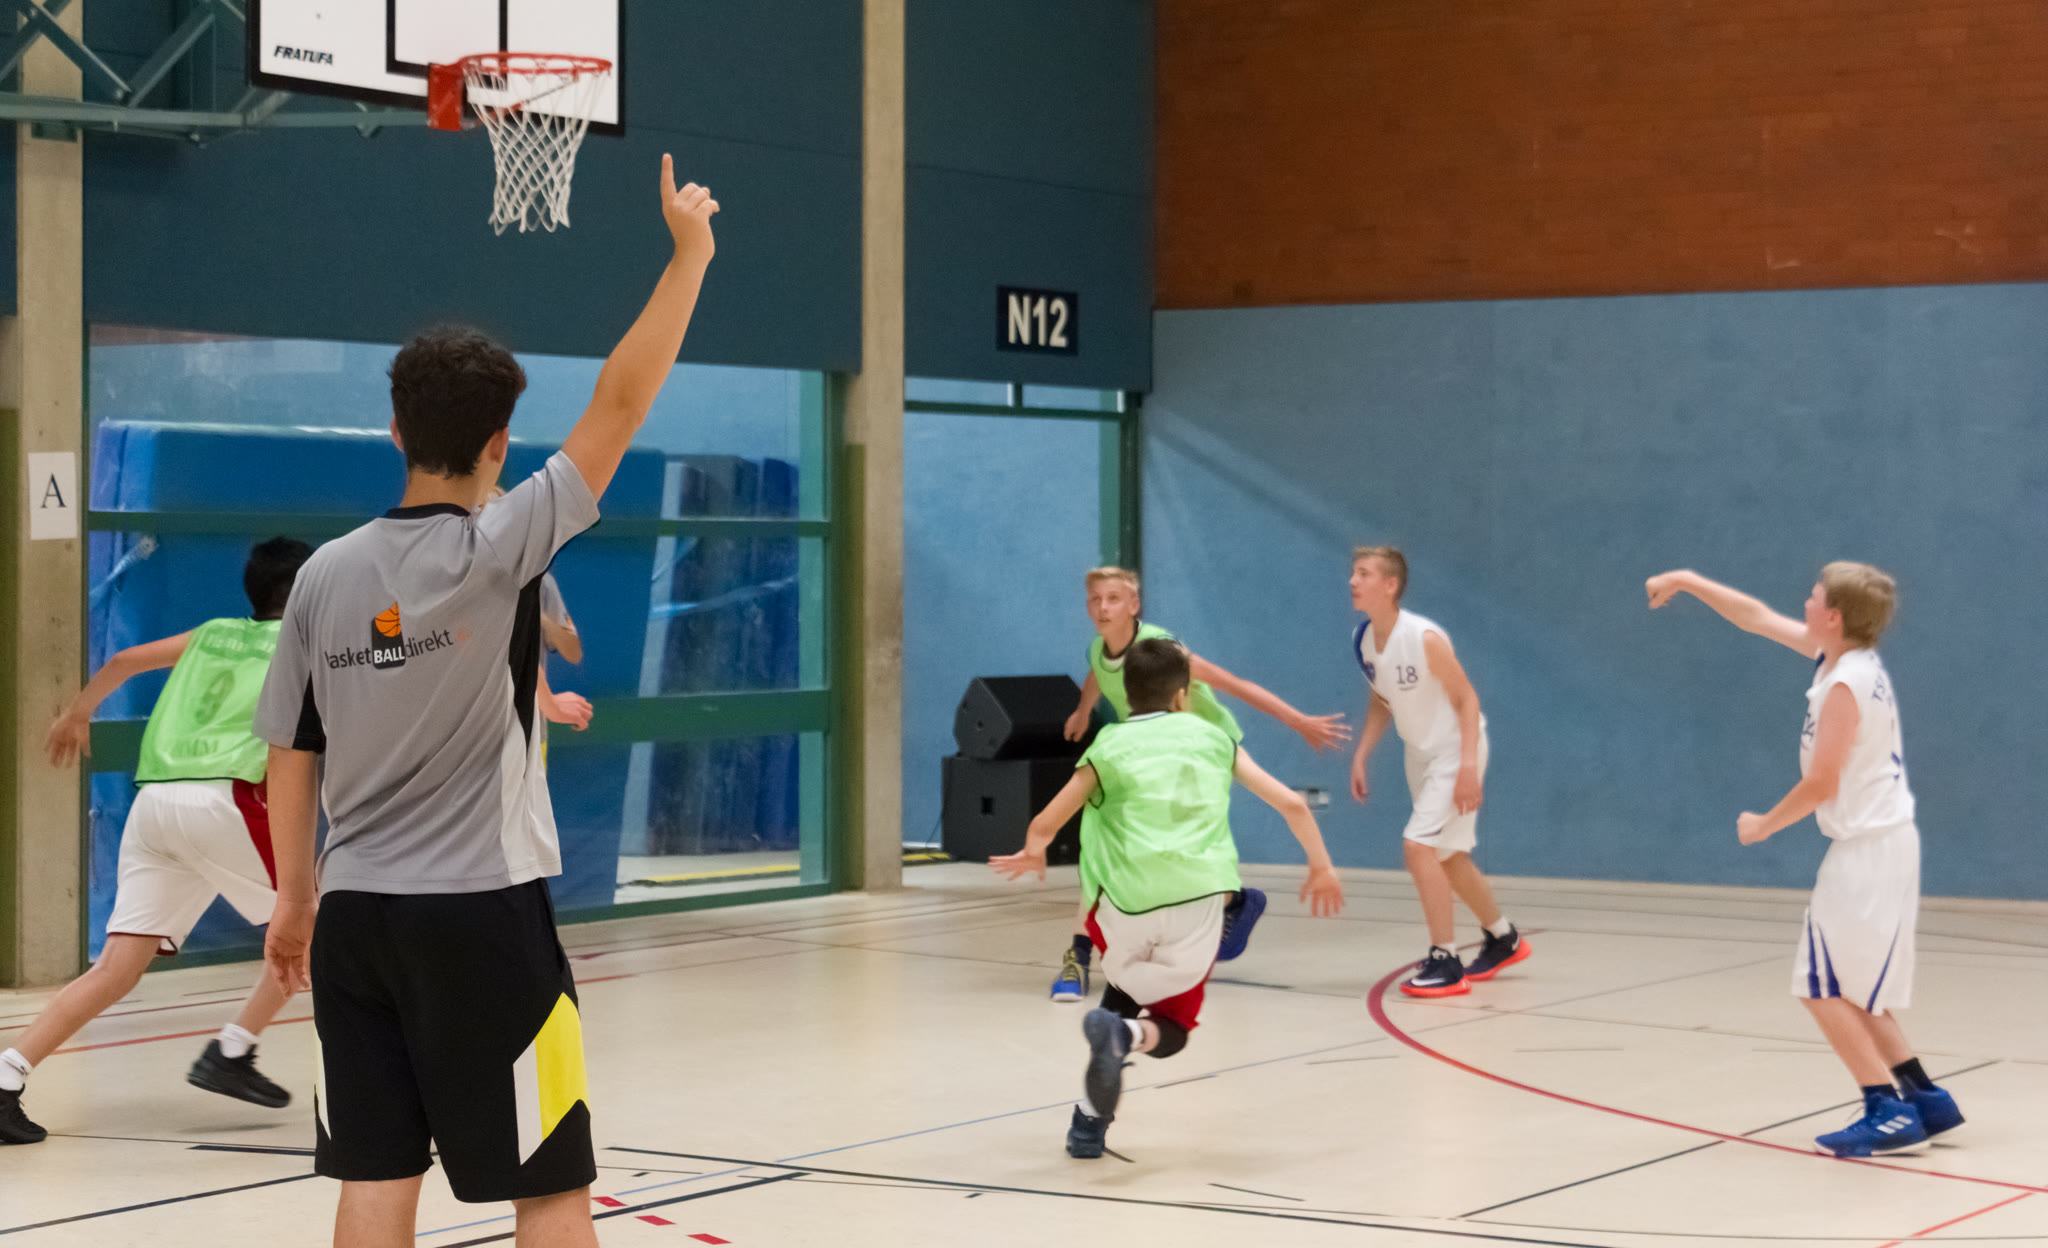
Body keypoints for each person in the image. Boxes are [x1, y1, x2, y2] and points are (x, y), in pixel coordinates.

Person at [252, 155, 717, 1247]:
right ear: (500, 447)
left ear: (396, 431)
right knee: (547, 1185)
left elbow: (291, 751)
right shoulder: (503, 546)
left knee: (374, 1179)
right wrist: (689, 253)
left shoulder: (321, 576)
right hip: (483, 918)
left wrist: (293, 902)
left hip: (356, 922)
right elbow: (620, 399)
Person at [0, 537, 314, 1145]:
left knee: (116, 968)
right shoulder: (307, 644)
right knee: (322, 929)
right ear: (311, 594)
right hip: (227, 799)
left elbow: (123, 661)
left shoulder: (212, 633)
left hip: (157, 802)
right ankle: (237, 1050)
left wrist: (78, 713)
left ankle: (6, 1075)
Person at [1646, 564, 1962, 1157]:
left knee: (1819, 985)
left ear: (1833, 616)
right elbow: (1756, 617)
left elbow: (1821, 783)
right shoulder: (1843, 659)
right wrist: (1688, 581)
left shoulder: (1845, 685)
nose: (1805, 601)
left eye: (1814, 596)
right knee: (1853, 985)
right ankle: (1924, 1096)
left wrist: (1763, 824)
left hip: (1868, 852)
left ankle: (1885, 1109)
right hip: (1883, 846)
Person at [995, 638, 1345, 1158]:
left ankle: (1089, 1125)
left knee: (1119, 993)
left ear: (1126, 693)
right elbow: (1292, 803)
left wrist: (1033, 850)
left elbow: (1049, 819)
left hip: (1126, 911)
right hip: (1196, 908)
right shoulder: (1214, 737)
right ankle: (1216, 936)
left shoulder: (1108, 744)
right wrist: (1321, 867)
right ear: (1182, 694)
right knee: (1172, 1027)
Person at [1047, 566, 1351, 1001]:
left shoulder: (1164, 651)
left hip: (1200, 746)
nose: (1102, 607)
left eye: (1112, 598)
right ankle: (1220, 906)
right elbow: (1099, 670)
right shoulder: (1099, 648)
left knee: (1159, 848)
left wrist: (1298, 721)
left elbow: (1235, 685)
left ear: (1134, 605)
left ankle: (1226, 904)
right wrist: (1083, 710)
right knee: (1115, 842)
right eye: (1095, 599)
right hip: (1149, 749)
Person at [1348, 546, 1529, 997]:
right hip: (1421, 754)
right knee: (1448, 855)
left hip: (1456, 750)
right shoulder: (1363, 639)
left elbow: (1467, 699)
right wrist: (1362, 754)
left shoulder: (1424, 638)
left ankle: (1445, 960)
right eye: (1353, 573)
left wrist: (1467, 766)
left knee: (1418, 847)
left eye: (1364, 573)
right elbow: (1382, 699)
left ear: (1390, 585)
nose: (1353, 581)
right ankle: (1503, 937)